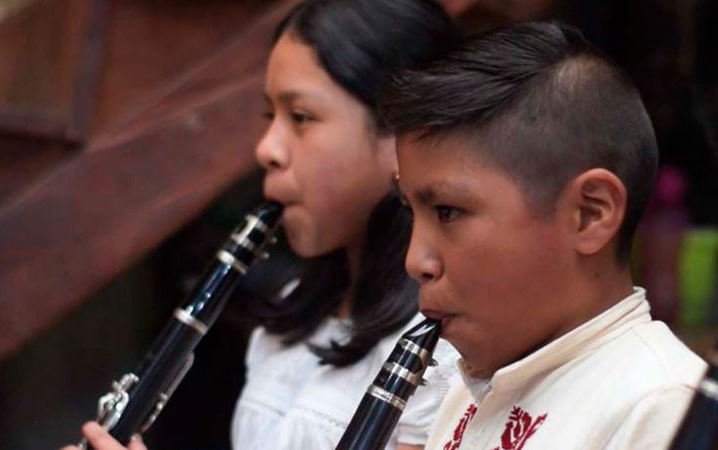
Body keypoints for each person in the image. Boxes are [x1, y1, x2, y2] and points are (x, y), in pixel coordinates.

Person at [65, 1, 462, 449]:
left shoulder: (449, 348)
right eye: (270, 117)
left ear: (402, 132)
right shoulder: (292, 310)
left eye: (301, 117)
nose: (266, 149)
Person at [383, 21, 707, 449]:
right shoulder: (472, 387)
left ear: (590, 214)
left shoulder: (661, 409)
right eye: (412, 212)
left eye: (447, 211)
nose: (415, 261)